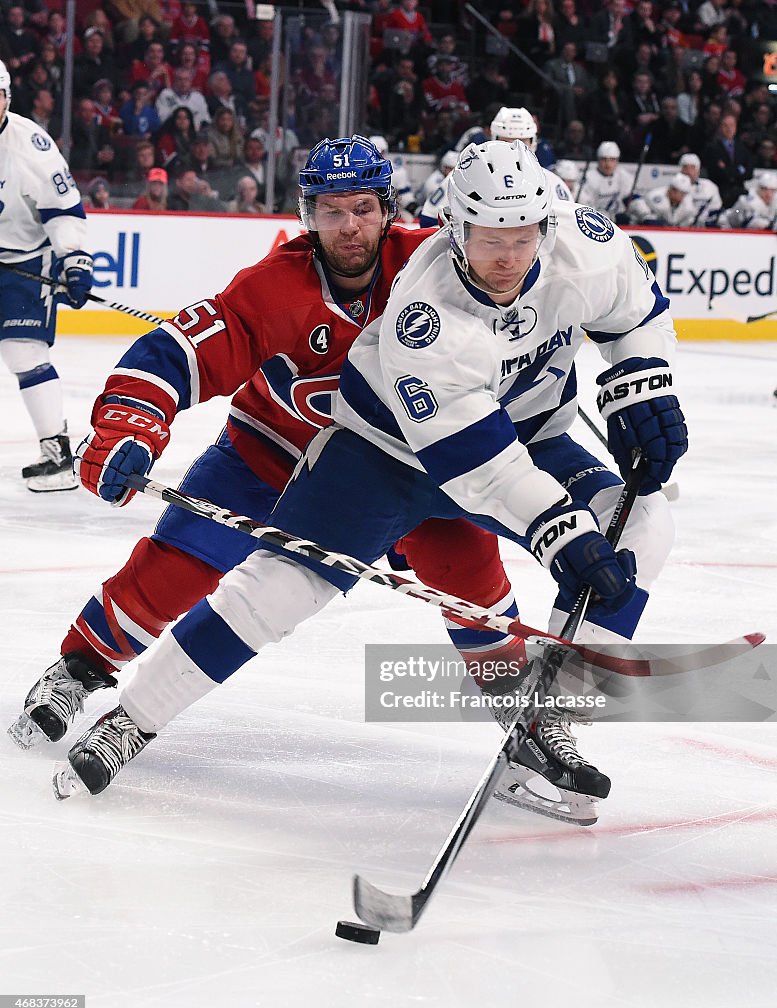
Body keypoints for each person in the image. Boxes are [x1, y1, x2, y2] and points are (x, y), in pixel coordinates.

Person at [46, 141, 686, 816]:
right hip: (385, 454)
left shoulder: (585, 244)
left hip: (527, 434)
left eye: (523, 237)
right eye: (488, 239)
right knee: (279, 587)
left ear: (548, 226)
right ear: (454, 229)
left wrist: (639, 383)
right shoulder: (425, 315)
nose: (507, 257)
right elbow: (482, 469)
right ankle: (133, 717)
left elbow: (633, 312)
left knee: (641, 519)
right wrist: (561, 534)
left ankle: (551, 710)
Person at [10, 137, 524, 782]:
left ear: (388, 209)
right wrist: (128, 424)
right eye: (332, 211)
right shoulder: (274, 288)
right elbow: (175, 353)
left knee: (473, 580)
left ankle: (529, 721)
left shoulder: (433, 267)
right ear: (307, 215)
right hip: (270, 456)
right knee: (177, 564)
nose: (350, 226)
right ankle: (81, 670)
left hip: (405, 472)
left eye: (363, 208)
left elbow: (529, 291)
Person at [0, 60, 94, 492]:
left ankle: (56, 453)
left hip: (26, 260)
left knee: (23, 352)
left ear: (8, 98)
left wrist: (75, 260)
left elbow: (63, 211)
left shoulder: (32, 146)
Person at [489, 107, 572, 202]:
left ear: (533, 143)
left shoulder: (552, 183)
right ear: (494, 141)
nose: (514, 148)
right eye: (506, 142)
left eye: (522, 142)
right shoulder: (478, 179)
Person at [577, 140, 633, 219]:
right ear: (598, 160)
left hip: (618, 219)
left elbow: (629, 198)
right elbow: (584, 205)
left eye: (612, 160)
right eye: (604, 159)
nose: (608, 164)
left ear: (617, 161)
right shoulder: (588, 178)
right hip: (595, 219)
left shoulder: (624, 176)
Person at [627, 171, 697, 226]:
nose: (683, 196)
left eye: (684, 193)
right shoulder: (655, 196)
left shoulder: (688, 203)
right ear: (672, 190)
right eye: (681, 193)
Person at [677, 152, 722, 227]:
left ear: (698, 170)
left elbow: (716, 209)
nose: (688, 171)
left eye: (692, 167)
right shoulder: (673, 188)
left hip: (703, 229)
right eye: (685, 167)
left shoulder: (709, 187)